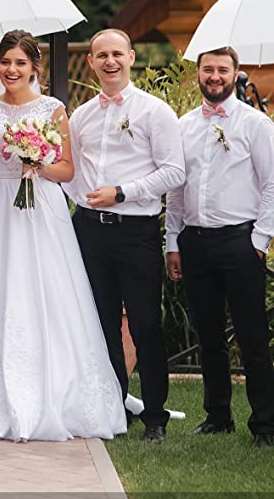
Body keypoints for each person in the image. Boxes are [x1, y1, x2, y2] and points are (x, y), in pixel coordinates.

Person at [0, 30, 126, 441]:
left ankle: (58, 393)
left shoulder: (53, 109)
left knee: (46, 293)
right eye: (5, 62)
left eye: (20, 63)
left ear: (34, 67)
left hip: (41, 210)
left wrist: (36, 162)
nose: (12, 70)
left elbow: (67, 170)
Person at [65, 28, 185, 443]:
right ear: (91, 62)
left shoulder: (155, 112)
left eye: (117, 53)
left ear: (131, 58)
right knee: (100, 324)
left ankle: (155, 416)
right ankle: (113, 406)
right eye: (102, 55)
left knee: (146, 323)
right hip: (89, 233)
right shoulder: (80, 116)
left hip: (136, 232)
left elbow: (174, 172)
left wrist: (122, 192)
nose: (109, 61)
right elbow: (73, 176)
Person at [166, 46, 274, 448]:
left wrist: (259, 241)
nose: (214, 76)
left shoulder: (256, 124)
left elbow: (272, 185)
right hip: (195, 242)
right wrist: (173, 242)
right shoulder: (183, 126)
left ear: (235, 74)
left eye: (222, 70)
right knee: (208, 334)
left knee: (252, 336)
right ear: (198, 74)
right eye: (208, 69)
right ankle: (217, 416)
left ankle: (265, 424)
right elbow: (176, 192)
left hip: (240, 242)